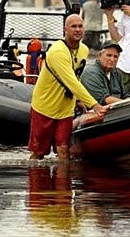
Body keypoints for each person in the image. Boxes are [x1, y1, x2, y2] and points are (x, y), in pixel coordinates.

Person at [28, 14, 108, 161]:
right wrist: (94, 105)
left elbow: (77, 76)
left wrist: (78, 100)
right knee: (39, 153)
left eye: (80, 26)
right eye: (73, 26)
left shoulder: (83, 50)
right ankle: (36, 180)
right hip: (45, 107)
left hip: (65, 109)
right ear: (65, 29)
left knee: (64, 150)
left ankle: (62, 183)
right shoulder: (58, 51)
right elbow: (71, 82)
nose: (77, 30)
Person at [80, 40, 130, 105]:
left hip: (116, 110)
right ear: (100, 55)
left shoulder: (116, 72)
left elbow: (125, 94)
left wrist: (129, 101)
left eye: (115, 56)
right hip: (96, 111)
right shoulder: (91, 72)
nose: (112, 60)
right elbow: (105, 99)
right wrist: (127, 104)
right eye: (109, 55)